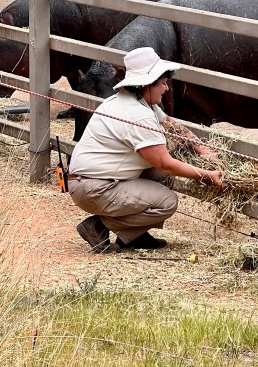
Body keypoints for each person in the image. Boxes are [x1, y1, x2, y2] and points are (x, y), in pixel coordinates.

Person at [68, 47, 224, 253]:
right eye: (163, 83)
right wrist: (207, 175)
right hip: (94, 187)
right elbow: (164, 163)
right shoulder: (137, 115)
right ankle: (98, 226)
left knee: (162, 178)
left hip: (95, 179)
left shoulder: (137, 101)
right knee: (167, 202)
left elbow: (170, 124)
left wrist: (202, 149)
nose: (166, 89)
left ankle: (133, 237)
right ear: (147, 84)